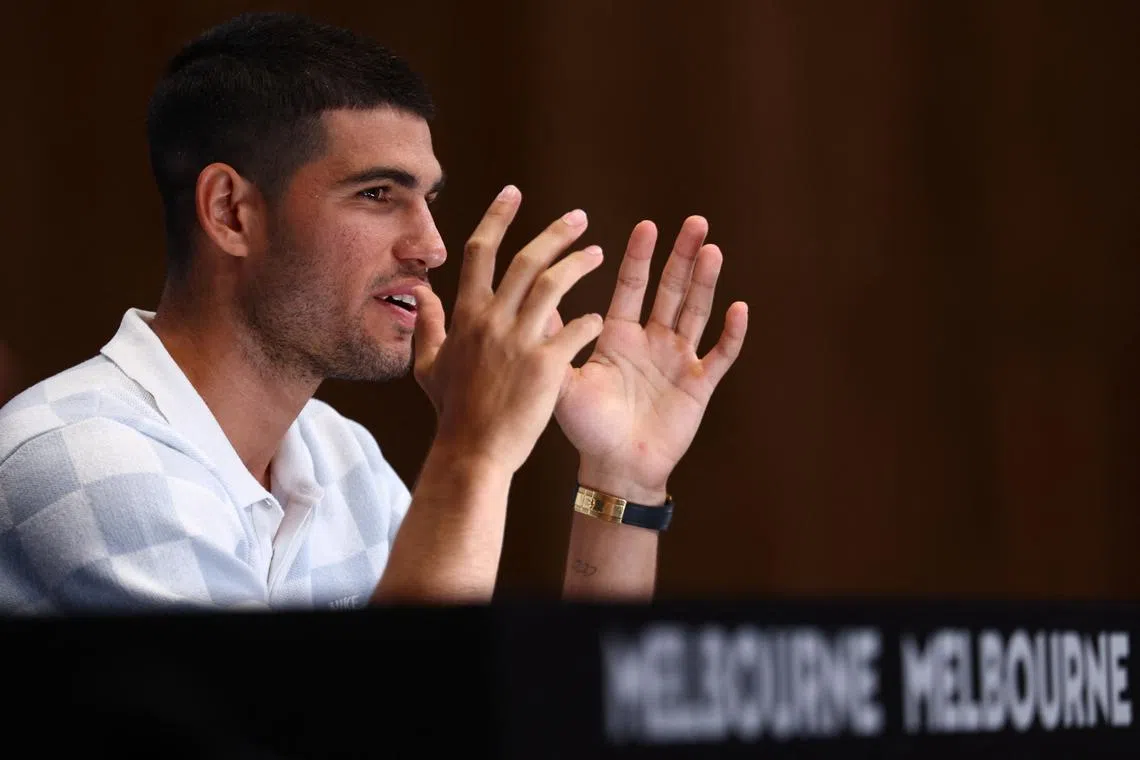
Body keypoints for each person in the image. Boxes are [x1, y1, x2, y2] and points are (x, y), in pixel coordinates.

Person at [0, 12, 747, 613]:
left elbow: (533, 727)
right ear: (231, 211)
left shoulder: (342, 458)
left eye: (429, 200)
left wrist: (620, 482)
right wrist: (473, 450)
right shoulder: (80, 463)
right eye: (377, 194)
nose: (431, 247)